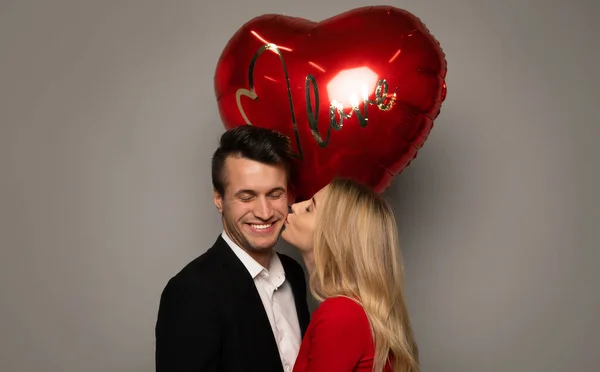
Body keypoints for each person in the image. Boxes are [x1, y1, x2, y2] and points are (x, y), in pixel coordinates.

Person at [155, 126, 311, 372]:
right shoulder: (190, 292)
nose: (264, 213)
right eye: (247, 197)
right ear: (219, 199)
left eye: (275, 194)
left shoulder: (294, 274)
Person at [281, 178, 420, 372]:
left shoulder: (341, 313)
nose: (294, 206)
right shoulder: (354, 310)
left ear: (335, 235)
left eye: (309, 209)